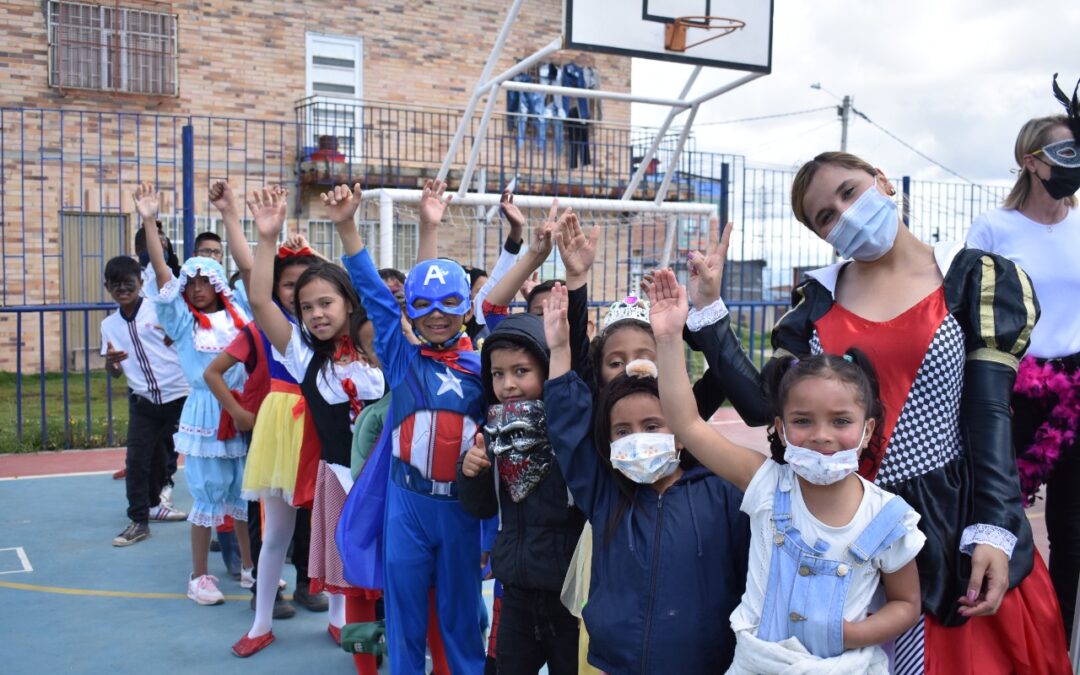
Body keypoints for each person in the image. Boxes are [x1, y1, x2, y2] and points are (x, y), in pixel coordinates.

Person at [704, 151, 1071, 673]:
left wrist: (994, 524)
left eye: (849, 192)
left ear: (882, 182)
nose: (843, 213)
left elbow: (990, 412)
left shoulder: (970, 278)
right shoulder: (818, 301)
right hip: (840, 531)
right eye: (825, 215)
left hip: (951, 523)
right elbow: (769, 407)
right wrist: (708, 311)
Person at [648, 268, 925, 672]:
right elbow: (687, 426)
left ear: (867, 430)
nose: (822, 435)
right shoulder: (764, 483)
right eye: (803, 420)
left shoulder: (888, 517)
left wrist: (850, 633)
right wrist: (670, 339)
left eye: (841, 421)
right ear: (779, 427)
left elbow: (906, 603)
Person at [542, 282, 750, 674]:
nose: (638, 437)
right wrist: (559, 351)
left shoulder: (724, 492)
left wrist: (701, 313)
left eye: (652, 425)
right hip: (614, 664)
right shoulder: (606, 492)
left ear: (683, 430)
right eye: (623, 431)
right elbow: (568, 427)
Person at [330, 180, 489, 673]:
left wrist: (431, 227)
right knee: (402, 620)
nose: (437, 315)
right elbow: (379, 299)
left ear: (467, 306)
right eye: (423, 306)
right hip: (407, 507)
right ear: (411, 312)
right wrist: (346, 227)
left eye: (449, 305)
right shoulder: (400, 358)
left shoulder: (486, 368)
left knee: (462, 618)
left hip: (460, 508)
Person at [235, 187, 385, 664]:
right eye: (306, 308)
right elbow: (260, 301)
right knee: (348, 569)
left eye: (326, 303)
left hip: (392, 480)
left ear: (347, 301)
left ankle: (402, 643)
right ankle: (276, 625)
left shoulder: (378, 348)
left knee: (396, 571)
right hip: (341, 478)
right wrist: (267, 238)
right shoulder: (303, 356)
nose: (317, 314)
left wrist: (348, 227)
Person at [966, 74, 1080, 638]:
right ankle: (1005, 634)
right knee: (998, 520)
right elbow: (965, 306)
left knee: (1074, 529)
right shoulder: (993, 226)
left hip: (1077, 391)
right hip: (1011, 390)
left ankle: (1057, 641)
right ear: (1032, 161)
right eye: (1066, 152)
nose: (1075, 161)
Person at [132, 182, 255, 606]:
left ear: (219, 282)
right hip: (207, 411)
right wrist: (149, 219)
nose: (198, 286)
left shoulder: (241, 312)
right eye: (192, 281)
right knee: (207, 495)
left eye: (206, 279)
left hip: (245, 411)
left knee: (244, 493)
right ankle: (199, 576)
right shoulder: (182, 321)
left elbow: (251, 269)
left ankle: (250, 568)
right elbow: (163, 274)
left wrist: (230, 213)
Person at [458, 312, 586, 675]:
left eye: (521, 371)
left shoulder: (569, 429)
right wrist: (471, 472)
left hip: (568, 596)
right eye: (498, 374)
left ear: (548, 369)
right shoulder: (492, 431)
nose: (508, 384)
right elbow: (481, 507)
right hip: (514, 591)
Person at [101, 255, 189, 546]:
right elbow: (114, 372)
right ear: (107, 287)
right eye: (116, 285)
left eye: (129, 283)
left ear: (141, 283)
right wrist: (112, 364)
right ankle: (139, 519)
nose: (123, 289)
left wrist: (175, 337)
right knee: (137, 460)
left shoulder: (158, 310)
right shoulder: (109, 326)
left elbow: (186, 335)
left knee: (183, 456)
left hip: (180, 395)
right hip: (144, 403)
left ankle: (219, 521)